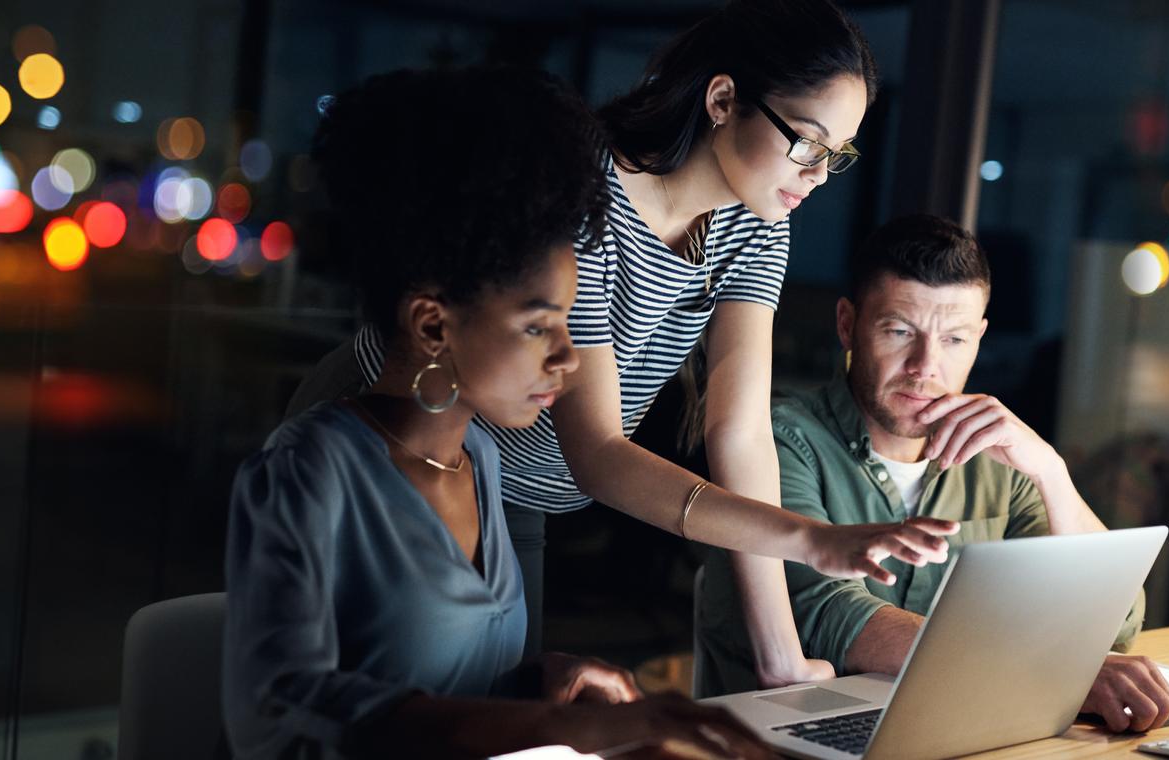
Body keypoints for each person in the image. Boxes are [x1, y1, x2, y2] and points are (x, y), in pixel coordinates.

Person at [288, 0, 957, 687]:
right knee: (360, 693)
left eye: (836, 156)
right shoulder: (582, 192)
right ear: (724, 99)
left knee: (497, 703)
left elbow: (741, 434)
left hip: (517, 486)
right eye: (807, 143)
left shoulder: (758, 225)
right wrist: (812, 539)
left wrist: (779, 653)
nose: (817, 174)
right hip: (403, 436)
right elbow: (598, 451)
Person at [223, 66, 774, 760]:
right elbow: (280, 715)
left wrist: (547, 680)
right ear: (432, 327)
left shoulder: (479, 460)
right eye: (538, 328)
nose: (568, 359)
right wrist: (559, 729)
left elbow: (446, 675)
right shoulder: (307, 473)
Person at [696, 214, 1169, 733]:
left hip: (951, 732)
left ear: (979, 338)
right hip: (780, 745)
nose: (924, 365)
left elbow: (1118, 620)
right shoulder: (779, 441)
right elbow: (825, 613)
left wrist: (1050, 470)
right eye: (899, 331)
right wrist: (1044, 670)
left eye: (954, 339)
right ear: (848, 324)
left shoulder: (999, 457)